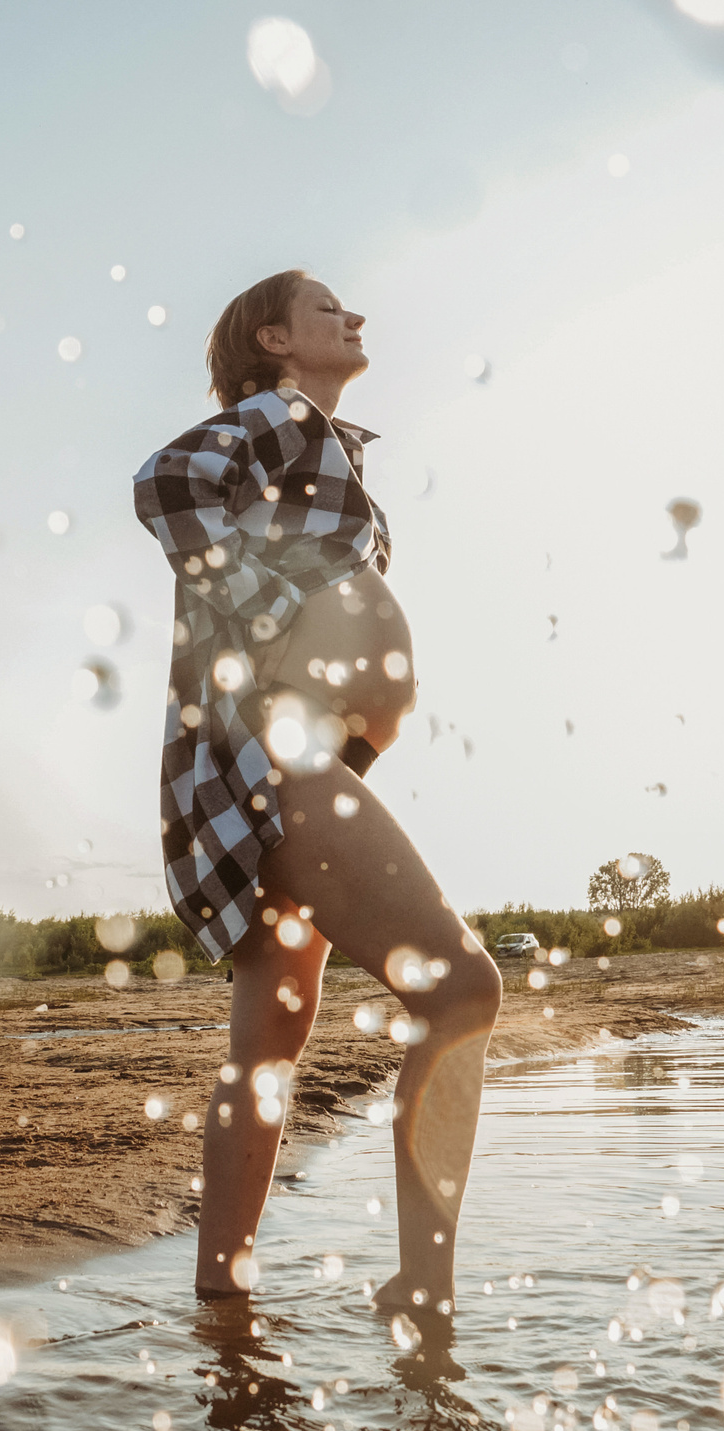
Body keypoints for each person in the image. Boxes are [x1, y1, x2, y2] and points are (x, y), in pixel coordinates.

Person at [133, 271, 500, 1321]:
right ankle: (421, 1287)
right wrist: (274, 613)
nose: (356, 318)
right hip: (276, 771)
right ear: (274, 339)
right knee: (461, 992)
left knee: (265, 1055)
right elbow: (168, 483)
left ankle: (223, 1306)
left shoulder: (321, 449)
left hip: (285, 771)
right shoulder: (281, 415)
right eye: (329, 308)